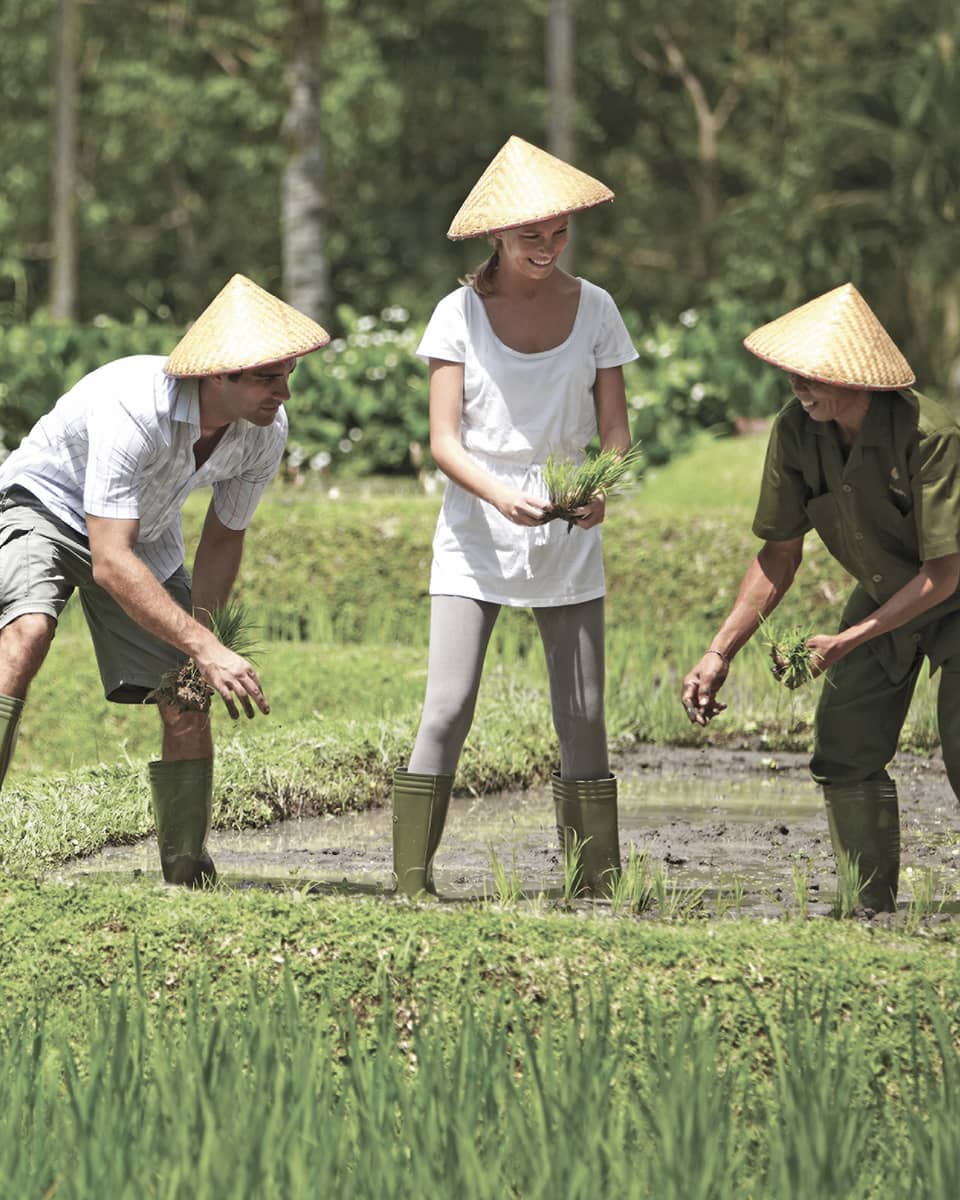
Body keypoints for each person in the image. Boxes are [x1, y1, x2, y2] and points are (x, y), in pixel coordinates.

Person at [0, 274, 329, 885]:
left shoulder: (263, 432)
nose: (283, 392)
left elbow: (224, 537)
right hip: (45, 506)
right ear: (216, 375)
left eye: (288, 375)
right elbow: (108, 560)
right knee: (26, 635)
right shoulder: (137, 407)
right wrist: (205, 647)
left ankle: (186, 873)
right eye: (266, 377)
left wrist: (198, 649)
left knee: (187, 698)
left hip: (140, 532)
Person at [392, 135, 637, 898]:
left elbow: (617, 434)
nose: (549, 247)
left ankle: (593, 886)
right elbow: (443, 441)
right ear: (497, 234)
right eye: (533, 235)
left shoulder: (595, 307)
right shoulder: (456, 313)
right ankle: (409, 885)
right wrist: (498, 495)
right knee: (448, 705)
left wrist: (599, 487)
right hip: (475, 528)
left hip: (566, 528)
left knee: (585, 715)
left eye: (559, 232)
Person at [681, 282, 960, 912]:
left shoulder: (931, 435)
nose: (799, 390)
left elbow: (944, 574)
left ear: (858, 378)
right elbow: (779, 554)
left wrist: (846, 640)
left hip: (951, 594)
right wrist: (719, 651)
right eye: (791, 377)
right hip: (889, 593)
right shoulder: (796, 431)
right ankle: (868, 910)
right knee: (843, 745)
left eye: (813, 378)